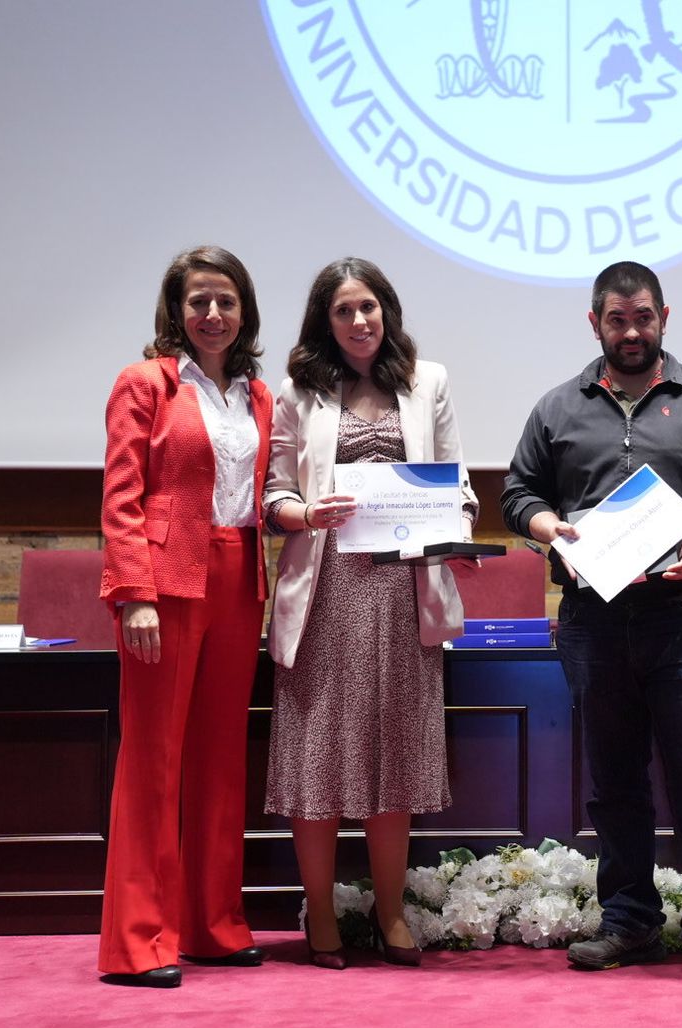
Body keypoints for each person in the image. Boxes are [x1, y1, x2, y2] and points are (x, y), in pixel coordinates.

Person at [501, 261, 682, 996]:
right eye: (618, 318)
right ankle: (630, 920)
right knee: (614, 784)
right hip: (593, 623)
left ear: (664, 315)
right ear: (595, 323)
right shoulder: (557, 408)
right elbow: (518, 490)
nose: (632, 330)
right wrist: (553, 530)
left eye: (643, 316)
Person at [262, 258, 477, 970]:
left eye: (370, 307)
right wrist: (305, 511)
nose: (360, 321)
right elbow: (272, 498)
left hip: (403, 594)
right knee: (319, 758)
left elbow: (458, 479)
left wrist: (459, 522)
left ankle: (390, 912)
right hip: (324, 593)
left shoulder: (428, 381)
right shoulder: (296, 392)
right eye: (344, 311)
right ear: (325, 321)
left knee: (395, 756)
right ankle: (320, 910)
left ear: (388, 310)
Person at [97, 246, 273, 988]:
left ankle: (211, 924)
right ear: (176, 310)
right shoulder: (145, 383)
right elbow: (120, 496)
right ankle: (139, 940)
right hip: (164, 584)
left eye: (225, 301)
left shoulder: (258, 394)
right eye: (198, 301)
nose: (212, 314)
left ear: (244, 312)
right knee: (153, 758)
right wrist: (133, 591)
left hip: (239, 577)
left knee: (220, 758)